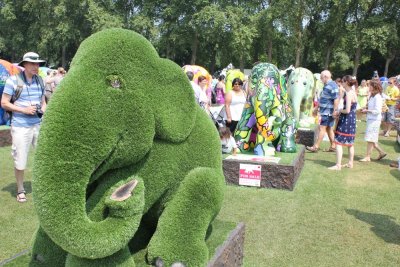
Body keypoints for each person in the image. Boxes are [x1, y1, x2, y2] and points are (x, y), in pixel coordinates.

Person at [0, 52, 47, 203]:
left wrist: (44, 113)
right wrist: (24, 110)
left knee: (43, 158)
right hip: (20, 126)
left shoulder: (40, 80)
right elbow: (4, 103)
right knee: (20, 159)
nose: (36, 66)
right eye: (33, 63)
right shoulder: (13, 81)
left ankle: (43, 186)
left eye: (38, 63)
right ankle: (20, 189)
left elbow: (43, 102)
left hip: (38, 125)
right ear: (24, 65)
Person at [328, 75, 358, 170]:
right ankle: (350, 163)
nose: (341, 83)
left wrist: (340, 110)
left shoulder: (349, 93)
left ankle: (338, 165)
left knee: (338, 142)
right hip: (352, 119)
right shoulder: (352, 92)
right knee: (350, 143)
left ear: (346, 82)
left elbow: (347, 110)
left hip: (347, 119)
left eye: (343, 82)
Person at [306, 70, 339, 152]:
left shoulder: (332, 86)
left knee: (322, 128)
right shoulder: (327, 85)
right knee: (328, 129)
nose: (321, 79)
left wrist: (335, 111)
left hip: (328, 112)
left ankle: (315, 146)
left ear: (326, 77)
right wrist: (317, 108)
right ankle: (333, 146)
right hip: (326, 111)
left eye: (321, 78)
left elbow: (336, 99)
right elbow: (323, 98)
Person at [359, 80, 387, 162]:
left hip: (374, 120)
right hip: (371, 119)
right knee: (371, 138)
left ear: (375, 87)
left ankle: (368, 157)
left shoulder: (377, 97)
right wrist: (365, 108)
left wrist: (367, 111)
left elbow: (377, 110)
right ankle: (381, 152)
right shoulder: (372, 96)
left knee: (370, 138)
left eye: (370, 86)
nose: (368, 87)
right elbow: (370, 107)